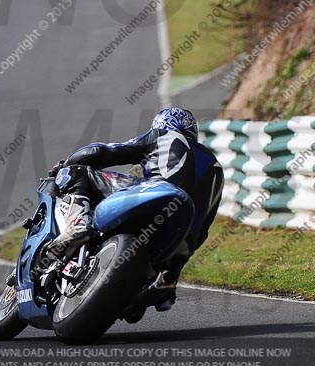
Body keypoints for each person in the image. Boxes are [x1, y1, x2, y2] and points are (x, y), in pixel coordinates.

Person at [44, 107, 224, 310]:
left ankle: (78, 224)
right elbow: (205, 228)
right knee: (156, 292)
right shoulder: (217, 168)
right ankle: (164, 284)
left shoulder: (163, 135)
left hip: (157, 194)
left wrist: (67, 163)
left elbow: (104, 152)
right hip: (184, 237)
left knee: (78, 173)